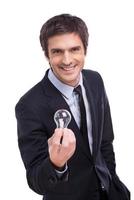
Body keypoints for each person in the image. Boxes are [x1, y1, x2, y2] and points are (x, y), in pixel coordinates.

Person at [15, 14, 130, 200]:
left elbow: (105, 141)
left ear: (85, 49)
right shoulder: (29, 105)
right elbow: (35, 179)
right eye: (57, 51)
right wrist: (56, 164)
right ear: (47, 55)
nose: (67, 60)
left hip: (109, 192)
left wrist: (112, 179)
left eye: (74, 49)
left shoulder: (95, 80)